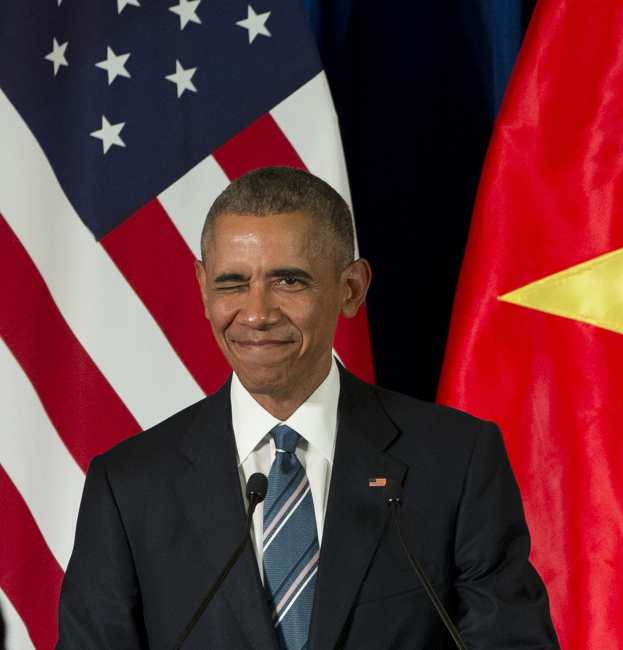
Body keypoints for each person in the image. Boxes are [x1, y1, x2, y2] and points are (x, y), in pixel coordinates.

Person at [56, 166, 558, 650]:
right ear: (203, 287)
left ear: (351, 288)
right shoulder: (128, 486)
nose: (255, 313)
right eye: (232, 283)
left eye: (288, 281)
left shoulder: (456, 461)